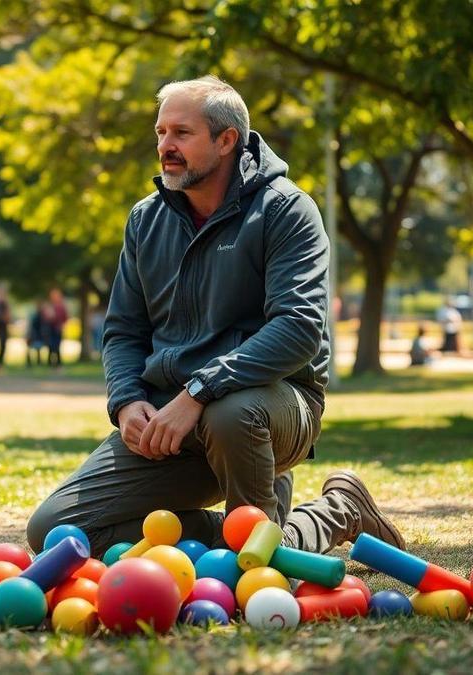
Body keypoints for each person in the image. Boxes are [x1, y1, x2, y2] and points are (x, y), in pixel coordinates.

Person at [26, 76, 406, 557]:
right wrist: (126, 402)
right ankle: (286, 520)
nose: (166, 146)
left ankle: (291, 523)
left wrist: (199, 391)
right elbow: (124, 329)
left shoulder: (286, 210)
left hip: (271, 407)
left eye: (181, 134)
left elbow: (299, 327)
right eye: (161, 133)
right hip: (171, 419)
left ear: (227, 140)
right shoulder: (146, 219)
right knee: (57, 532)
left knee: (232, 413)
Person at [46, 288, 68, 370]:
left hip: (58, 329)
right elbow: (47, 318)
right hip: (50, 329)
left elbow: (65, 318)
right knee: (51, 346)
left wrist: (62, 325)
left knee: (57, 346)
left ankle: (58, 364)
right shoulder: (50, 306)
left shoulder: (61, 307)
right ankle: (50, 364)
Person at [0, 284, 12, 370]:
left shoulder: (5, 303)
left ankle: (0, 363)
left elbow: (8, 315)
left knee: (4, 344)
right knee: (2, 343)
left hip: (4, 325)